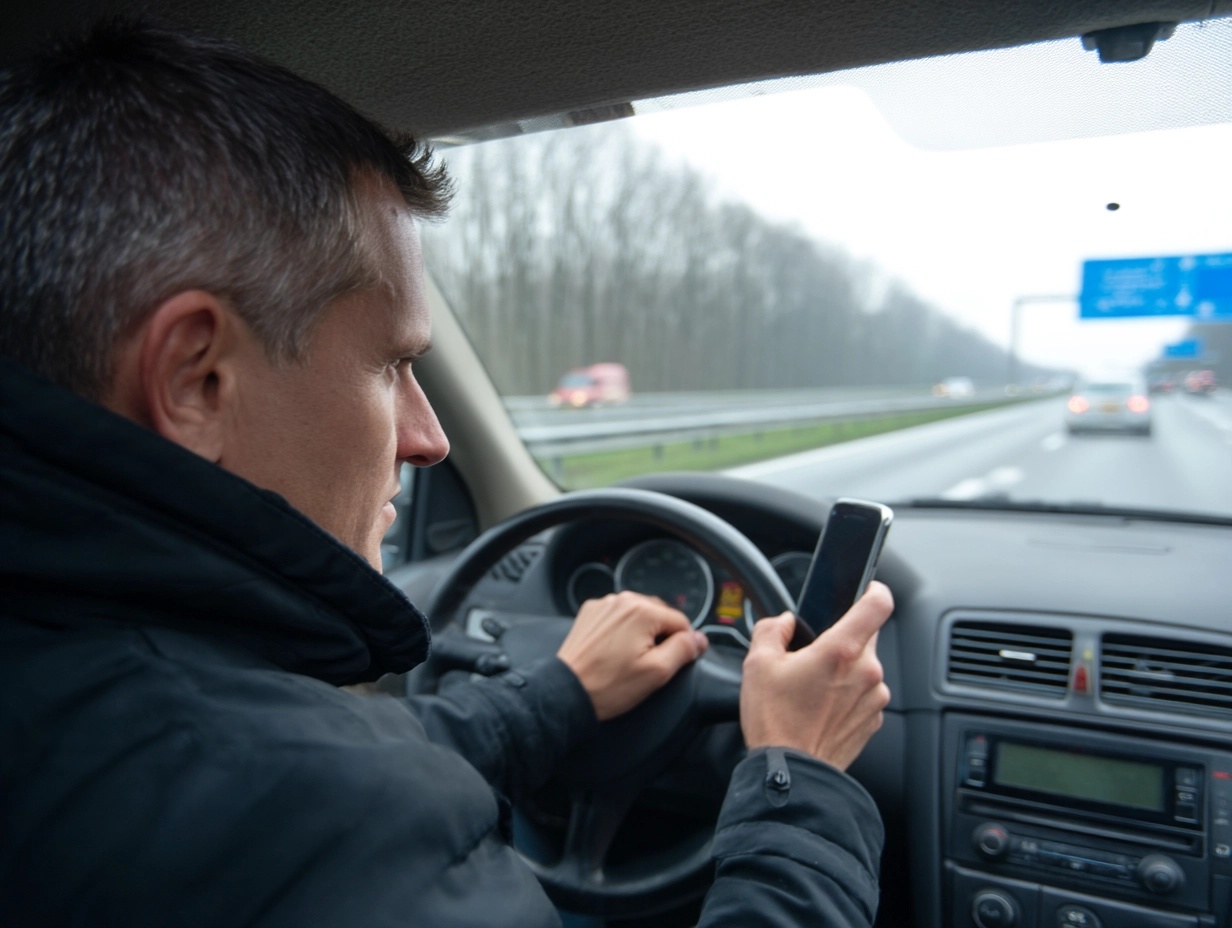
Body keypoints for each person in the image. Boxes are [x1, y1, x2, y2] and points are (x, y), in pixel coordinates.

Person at [0, 20, 893, 927]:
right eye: (390, 365)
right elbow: (315, 791)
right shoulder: (306, 817)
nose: (430, 438)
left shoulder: (103, 696)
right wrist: (799, 782)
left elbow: (308, 764)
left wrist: (556, 700)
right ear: (198, 380)